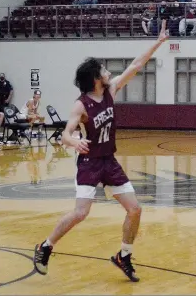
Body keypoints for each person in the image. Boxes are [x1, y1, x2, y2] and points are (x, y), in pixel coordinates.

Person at [33, 22, 169, 281]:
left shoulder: (111, 90)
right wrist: (74, 142)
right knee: (81, 213)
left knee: (135, 210)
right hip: (89, 163)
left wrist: (159, 42)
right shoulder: (80, 105)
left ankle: (124, 256)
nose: (108, 72)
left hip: (109, 161)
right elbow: (65, 133)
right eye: (104, 70)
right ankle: (45, 246)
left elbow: (136, 65)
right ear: (95, 78)